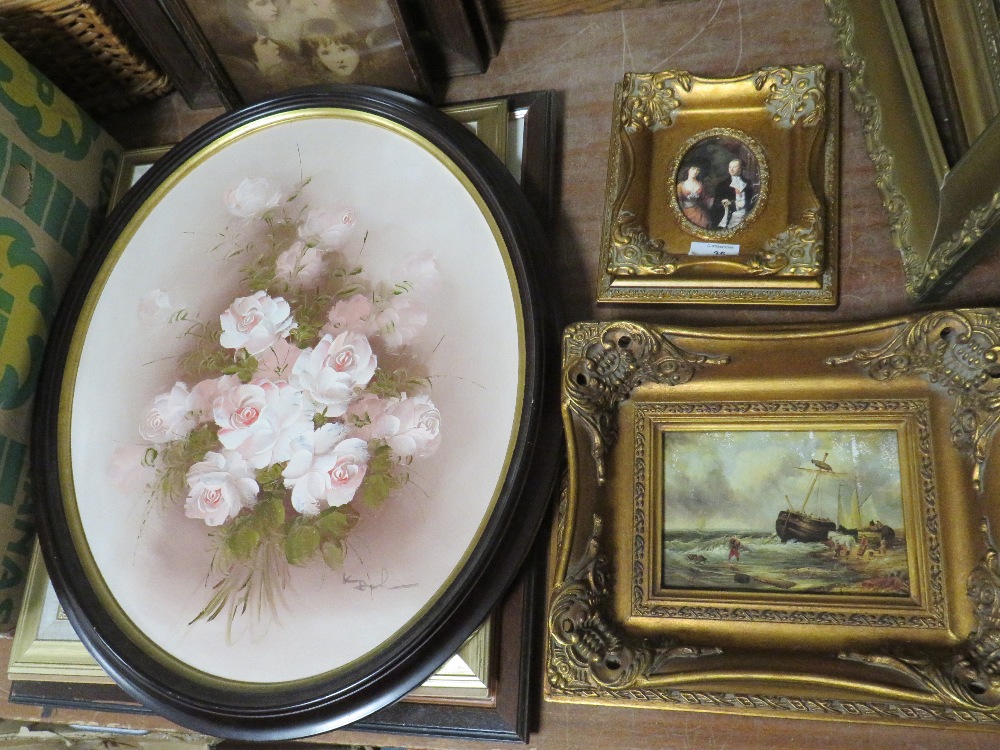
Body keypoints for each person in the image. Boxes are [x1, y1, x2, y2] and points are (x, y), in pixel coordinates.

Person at [710, 157, 755, 230]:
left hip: (745, 216)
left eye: (734, 167)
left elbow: (750, 202)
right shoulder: (722, 185)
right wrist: (724, 203)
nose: (731, 169)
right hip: (729, 216)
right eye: (730, 167)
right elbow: (716, 204)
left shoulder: (748, 183)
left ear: (740, 169)